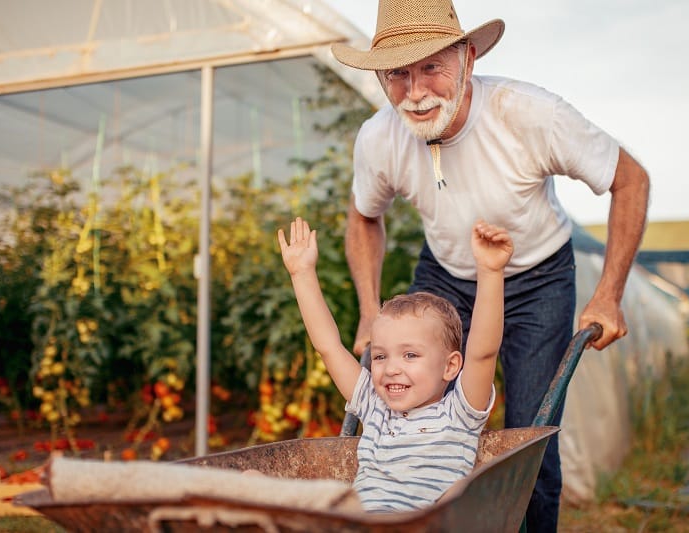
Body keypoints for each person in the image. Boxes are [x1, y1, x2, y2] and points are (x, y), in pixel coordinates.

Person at [330, 0, 650, 529]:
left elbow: (630, 179)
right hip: (445, 271)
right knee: (404, 416)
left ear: (468, 58)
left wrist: (609, 292)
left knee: (529, 443)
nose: (415, 92)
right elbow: (364, 218)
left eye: (432, 66)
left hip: (538, 278)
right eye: (398, 74)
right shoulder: (379, 137)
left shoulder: (529, 114)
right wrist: (369, 310)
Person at [278, 216, 513, 511]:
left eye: (410, 355)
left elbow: (483, 352)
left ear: (450, 367)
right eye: (379, 356)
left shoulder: (458, 415)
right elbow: (328, 347)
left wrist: (491, 272)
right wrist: (302, 274)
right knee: (283, 494)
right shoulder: (373, 404)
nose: (390, 368)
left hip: (418, 526)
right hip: (358, 523)